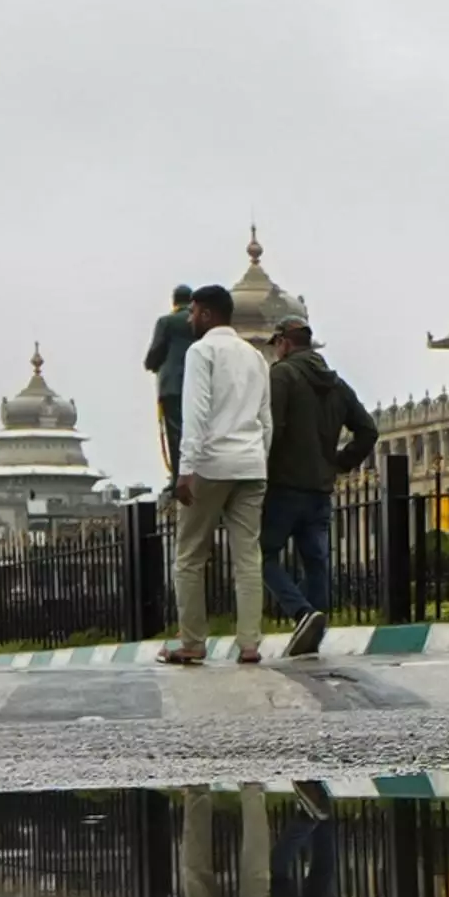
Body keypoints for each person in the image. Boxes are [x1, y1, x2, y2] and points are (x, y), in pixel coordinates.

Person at [163, 283, 272, 666]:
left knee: (190, 556)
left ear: (207, 314)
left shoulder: (201, 351)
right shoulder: (255, 357)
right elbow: (265, 418)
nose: (189, 318)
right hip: (251, 464)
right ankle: (249, 645)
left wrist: (185, 469)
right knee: (248, 557)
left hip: (211, 464)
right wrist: (260, 461)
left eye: (192, 312)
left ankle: (192, 641)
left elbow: (197, 413)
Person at [261, 317, 379, 660]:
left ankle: (301, 614)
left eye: (275, 345)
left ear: (283, 342)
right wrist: (340, 463)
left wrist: (261, 471)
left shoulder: (281, 375)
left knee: (261, 555)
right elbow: (368, 431)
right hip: (320, 489)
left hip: (283, 485)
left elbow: (273, 429)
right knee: (316, 561)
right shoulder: (336, 384)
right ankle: (314, 632)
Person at [145, 283, 203, 473]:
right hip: (198, 383)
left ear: (174, 301)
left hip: (172, 386)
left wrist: (150, 364)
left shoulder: (167, 322)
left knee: (176, 433)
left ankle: (178, 475)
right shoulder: (200, 322)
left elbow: (156, 352)